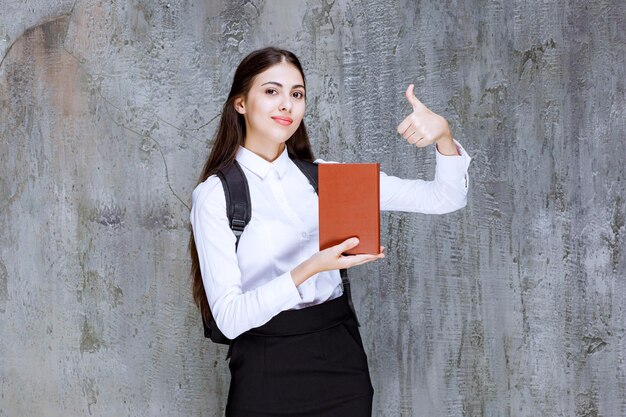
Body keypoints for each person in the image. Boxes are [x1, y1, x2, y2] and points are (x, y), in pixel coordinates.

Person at [189, 46, 471, 417]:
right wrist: (312, 266)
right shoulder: (216, 194)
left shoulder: (327, 179)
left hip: (340, 361)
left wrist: (443, 137)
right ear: (241, 103)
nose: (287, 105)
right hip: (265, 367)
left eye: (297, 94)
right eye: (271, 91)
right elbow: (229, 317)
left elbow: (445, 197)